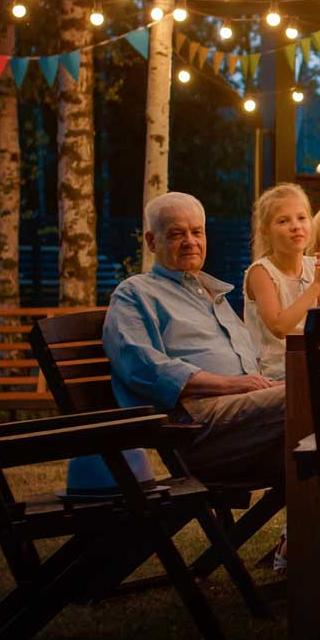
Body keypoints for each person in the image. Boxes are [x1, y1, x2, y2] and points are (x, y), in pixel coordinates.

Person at [103, 191, 286, 489]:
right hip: (194, 429)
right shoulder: (135, 294)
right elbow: (142, 366)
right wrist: (230, 385)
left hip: (246, 421)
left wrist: (272, 383)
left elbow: (251, 374)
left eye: (197, 232)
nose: (190, 241)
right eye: (176, 234)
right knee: (311, 402)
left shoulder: (211, 294)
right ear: (151, 241)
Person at [243, 183, 320, 381]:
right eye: (283, 221)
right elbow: (279, 328)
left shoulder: (313, 266)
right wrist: (317, 285)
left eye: (302, 218)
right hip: (273, 372)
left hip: (311, 362)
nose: (295, 226)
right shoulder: (261, 272)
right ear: (265, 231)